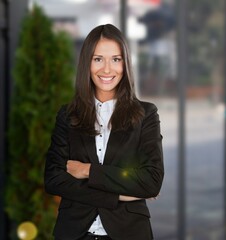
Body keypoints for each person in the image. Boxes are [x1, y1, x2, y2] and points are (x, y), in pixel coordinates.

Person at [44, 24, 164, 240]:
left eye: (116, 59)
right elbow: (54, 179)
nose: (107, 69)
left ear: (125, 64)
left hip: (129, 233)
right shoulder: (68, 114)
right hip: (75, 234)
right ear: (86, 63)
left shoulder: (145, 114)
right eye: (98, 59)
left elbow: (151, 181)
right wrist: (118, 195)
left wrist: (87, 170)